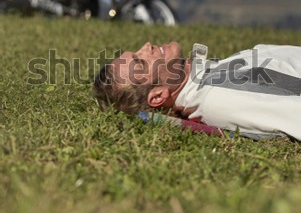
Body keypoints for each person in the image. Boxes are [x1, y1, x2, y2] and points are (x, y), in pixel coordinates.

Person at [94, 41, 301, 141]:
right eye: (140, 61)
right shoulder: (217, 97)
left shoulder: (210, 77)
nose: (147, 45)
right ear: (158, 95)